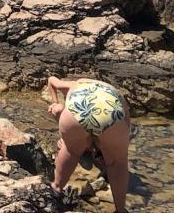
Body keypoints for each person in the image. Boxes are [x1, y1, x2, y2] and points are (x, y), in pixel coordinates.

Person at [46, 77, 132, 213]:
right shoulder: (115, 93)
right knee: (117, 163)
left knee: (71, 151)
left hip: (77, 109)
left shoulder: (73, 85)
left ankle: (55, 190)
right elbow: (126, 128)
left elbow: (51, 80)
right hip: (111, 113)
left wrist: (55, 102)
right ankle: (120, 209)